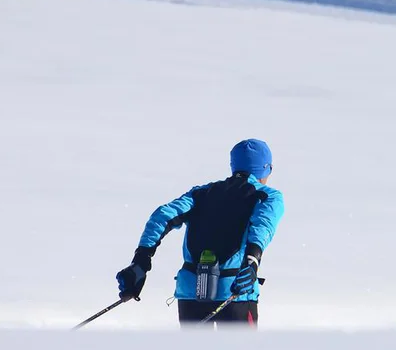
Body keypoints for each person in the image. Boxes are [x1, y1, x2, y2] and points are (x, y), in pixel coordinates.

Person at [115, 139, 285, 328]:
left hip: (191, 292)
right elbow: (263, 226)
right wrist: (252, 260)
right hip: (235, 292)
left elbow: (161, 217)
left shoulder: (200, 193)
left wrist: (141, 261)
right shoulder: (268, 196)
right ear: (266, 168)